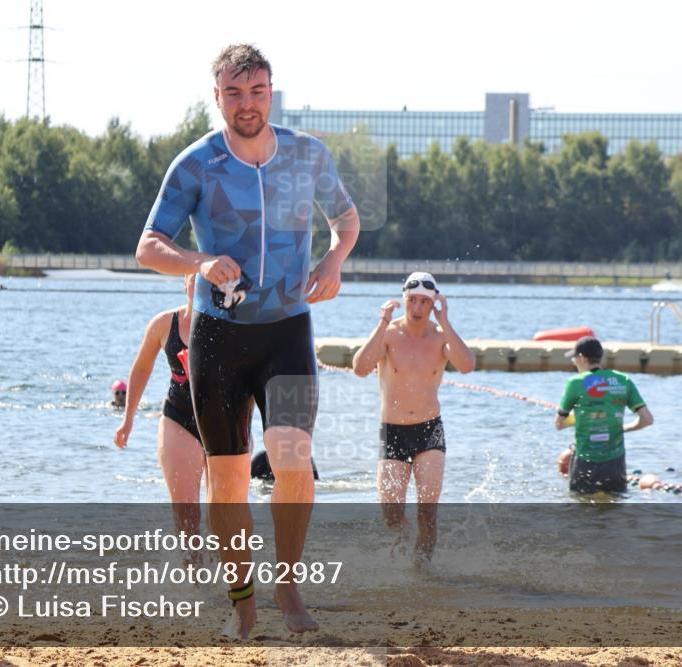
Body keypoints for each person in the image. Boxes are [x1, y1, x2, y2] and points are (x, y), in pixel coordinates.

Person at [134, 44, 360, 638]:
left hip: (287, 331)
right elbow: (149, 245)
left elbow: (347, 218)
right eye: (234, 93)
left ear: (271, 91)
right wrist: (201, 260)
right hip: (219, 339)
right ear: (217, 97)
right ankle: (244, 604)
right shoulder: (197, 164)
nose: (246, 104)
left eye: (256, 91)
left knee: (291, 456)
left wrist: (335, 260)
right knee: (229, 478)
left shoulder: (308, 156)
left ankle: (287, 587)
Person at [351, 272, 475, 563]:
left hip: (429, 430)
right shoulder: (390, 333)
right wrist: (382, 321)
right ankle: (402, 553)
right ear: (404, 300)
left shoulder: (441, 336)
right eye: (412, 301)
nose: (417, 308)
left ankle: (422, 572)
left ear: (433, 304)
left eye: (424, 302)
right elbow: (359, 368)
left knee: (427, 512)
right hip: (392, 430)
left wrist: (445, 322)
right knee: (392, 515)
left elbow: (467, 365)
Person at [114, 275, 212, 565]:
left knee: (224, 508)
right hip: (178, 417)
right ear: (185, 283)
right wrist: (128, 420)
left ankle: (233, 579)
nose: (201, 284)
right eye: (195, 278)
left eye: (208, 279)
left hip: (223, 418)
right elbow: (142, 368)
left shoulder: (230, 324)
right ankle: (194, 580)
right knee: (185, 509)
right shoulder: (163, 324)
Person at [555, 336, 654, 494]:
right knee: (615, 507)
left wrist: (576, 417)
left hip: (585, 460)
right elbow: (647, 420)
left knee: (580, 508)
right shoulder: (623, 380)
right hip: (615, 463)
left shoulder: (575, 383)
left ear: (581, 358)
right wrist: (625, 428)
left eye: (574, 358)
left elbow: (559, 424)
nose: (574, 362)